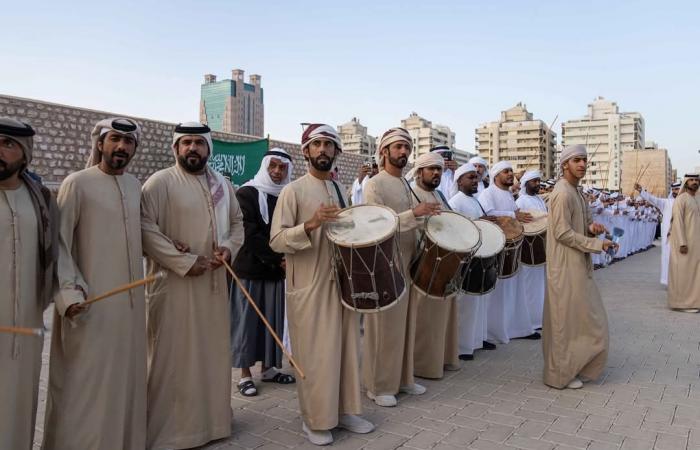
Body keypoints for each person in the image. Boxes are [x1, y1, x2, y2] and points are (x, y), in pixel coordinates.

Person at [43, 118, 147, 449]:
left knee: (122, 384)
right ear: (100, 144)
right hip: (88, 306)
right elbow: (59, 244)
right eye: (115, 139)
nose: (121, 147)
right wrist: (69, 294)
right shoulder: (78, 183)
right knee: (84, 385)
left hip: (129, 311)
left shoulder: (134, 186)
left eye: (128, 142)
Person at [141, 122, 245, 449]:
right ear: (176, 148)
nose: (192, 149)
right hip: (172, 287)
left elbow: (238, 224)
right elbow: (145, 229)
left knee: (211, 355)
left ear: (208, 148)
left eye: (199, 143)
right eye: (186, 143)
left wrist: (228, 247)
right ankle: (171, 431)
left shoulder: (222, 185)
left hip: (213, 286)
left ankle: (213, 422)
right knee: (173, 357)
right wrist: (186, 262)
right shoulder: (160, 183)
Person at [270, 123, 373, 446]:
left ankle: (344, 411)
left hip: (341, 282)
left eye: (329, 145)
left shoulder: (341, 190)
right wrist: (311, 224)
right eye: (318, 145)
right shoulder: (293, 191)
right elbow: (276, 240)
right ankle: (314, 420)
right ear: (306, 152)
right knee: (316, 354)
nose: (324, 150)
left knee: (344, 349)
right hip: (309, 286)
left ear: (337, 153)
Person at [362, 127, 440, 407]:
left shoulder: (406, 185)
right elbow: (374, 223)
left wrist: (428, 220)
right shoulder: (375, 184)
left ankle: (403, 379)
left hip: (407, 261)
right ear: (384, 152)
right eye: (398, 147)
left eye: (407, 148)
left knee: (405, 322)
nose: (404, 152)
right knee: (384, 326)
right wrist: (413, 215)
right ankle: (378, 385)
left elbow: (411, 221)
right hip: (383, 262)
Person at [0, 118, 57, 450]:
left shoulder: (40, 198)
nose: (0, 150)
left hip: (26, 321)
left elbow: (54, 252)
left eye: (8, 144)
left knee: (19, 404)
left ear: (25, 154)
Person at [542, 144, 615, 390]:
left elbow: (579, 225)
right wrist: (596, 243)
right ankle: (560, 374)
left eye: (585, 160)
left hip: (577, 263)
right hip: (564, 265)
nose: (582, 164)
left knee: (582, 320)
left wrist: (592, 228)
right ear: (565, 165)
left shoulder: (576, 192)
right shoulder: (562, 193)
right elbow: (562, 233)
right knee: (566, 321)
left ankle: (577, 365)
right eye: (577, 160)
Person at [232, 148, 296, 397]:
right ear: (264, 167)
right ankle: (245, 375)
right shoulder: (247, 193)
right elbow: (250, 234)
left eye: (282, 168)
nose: (277, 172)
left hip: (276, 272)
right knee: (247, 323)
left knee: (272, 321)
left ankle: (268, 369)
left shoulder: (287, 196)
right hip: (251, 269)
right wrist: (278, 258)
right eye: (273, 166)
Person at [410, 152, 461, 379]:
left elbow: (450, 219)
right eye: (431, 169)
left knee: (443, 315)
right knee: (424, 318)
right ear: (420, 171)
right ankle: (421, 366)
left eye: (439, 169)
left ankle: (443, 358)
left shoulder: (440, 194)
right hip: (420, 263)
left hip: (443, 262)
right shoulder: (411, 193)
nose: (436, 173)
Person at [478, 161, 537, 343]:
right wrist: (514, 215)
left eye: (511, 171)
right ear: (496, 175)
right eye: (506, 171)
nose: (511, 174)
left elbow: (514, 213)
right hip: (498, 247)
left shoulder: (509, 195)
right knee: (499, 292)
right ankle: (495, 332)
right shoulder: (487, 193)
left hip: (514, 247)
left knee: (514, 290)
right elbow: (491, 214)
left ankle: (517, 328)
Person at [448, 163, 496, 360]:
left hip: (481, 256)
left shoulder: (474, 200)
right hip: (466, 258)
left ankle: (477, 339)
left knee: (480, 300)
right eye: (470, 177)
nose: (475, 181)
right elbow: (455, 228)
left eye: (476, 177)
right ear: (459, 181)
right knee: (466, 303)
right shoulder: (455, 202)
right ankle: (462, 346)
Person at [516, 170, 547, 331]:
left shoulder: (539, 200)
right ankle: (529, 321)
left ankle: (539, 319)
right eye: (534, 181)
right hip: (528, 249)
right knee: (529, 285)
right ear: (525, 184)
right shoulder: (521, 201)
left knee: (540, 285)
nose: (537, 184)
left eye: (538, 181)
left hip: (540, 247)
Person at [635, 181, 681, 286]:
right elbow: (653, 199)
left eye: (677, 189)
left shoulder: (686, 201)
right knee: (667, 257)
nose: (675, 191)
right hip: (669, 236)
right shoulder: (666, 202)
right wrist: (641, 191)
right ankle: (668, 281)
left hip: (682, 235)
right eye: (674, 189)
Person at [667, 174, 700, 312]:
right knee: (683, 273)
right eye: (691, 180)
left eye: (697, 180)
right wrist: (682, 242)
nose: (694, 182)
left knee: (695, 274)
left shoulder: (696, 199)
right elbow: (677, 222)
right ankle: (681, 304)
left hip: (696, 243)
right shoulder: (681, 199)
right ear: (686, 183)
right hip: (685, 243)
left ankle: (694, 302)